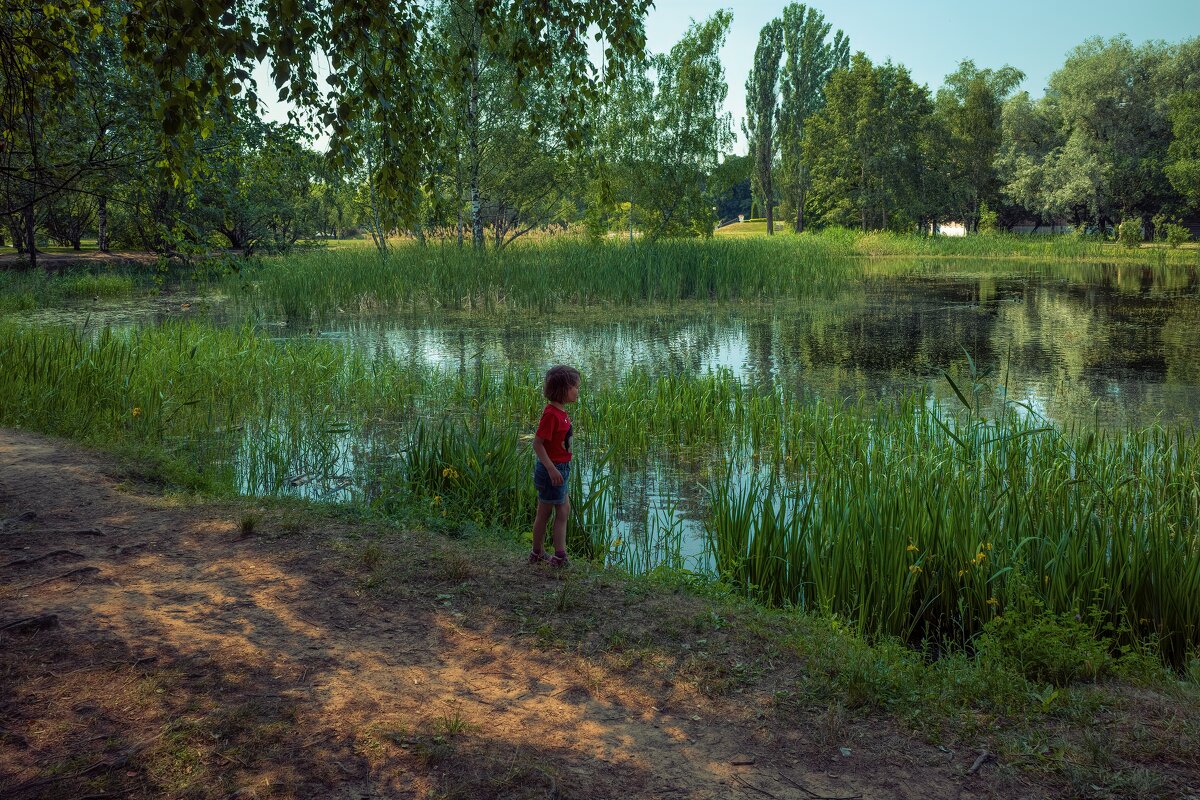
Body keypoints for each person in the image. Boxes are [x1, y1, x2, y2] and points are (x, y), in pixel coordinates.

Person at [530, 365, 580, 567]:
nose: (578, 391)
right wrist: (551, 468)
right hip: (553, 471)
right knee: (546, 512)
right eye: (575, 387)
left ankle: (550, 553)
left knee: (563, 509)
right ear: (564, 389)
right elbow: (537, 443)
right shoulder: (551, 415)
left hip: (560, 470)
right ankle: (547, 553)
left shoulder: (561, 412)